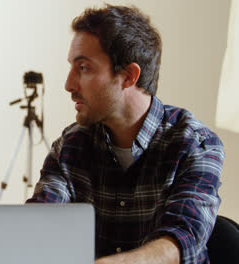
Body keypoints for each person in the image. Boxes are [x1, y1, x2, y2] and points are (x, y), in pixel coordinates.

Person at [27, 5, 224, 264]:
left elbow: (181, 241)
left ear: (129, 76)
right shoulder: (70, 146)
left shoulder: (196, 144)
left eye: (83, 68)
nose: (68, 85)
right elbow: (40, 224)